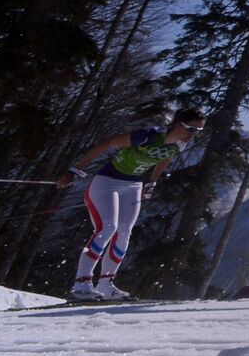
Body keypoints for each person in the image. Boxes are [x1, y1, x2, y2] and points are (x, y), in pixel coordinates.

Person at [55, 108, 206, 300]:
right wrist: (74, 171)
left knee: (124, 232)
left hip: (133, 184)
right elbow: (106, 144)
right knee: (107, 228)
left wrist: (151, 182)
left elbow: (165, 159)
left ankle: (105, 285)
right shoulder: (147, 135)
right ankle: (81, 285)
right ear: (178, 124)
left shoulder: (179, 145)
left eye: (199, 132)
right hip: (107, 182)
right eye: (192, 129)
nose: (194, 136)